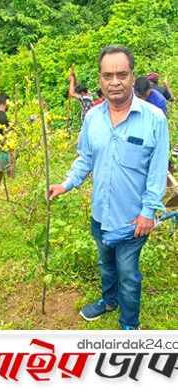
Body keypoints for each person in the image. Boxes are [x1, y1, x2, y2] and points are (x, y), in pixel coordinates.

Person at [48, 45, 169, 330]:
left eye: (122, 74)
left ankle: (129, 324)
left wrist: (148, 211)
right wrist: (65, 184)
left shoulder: (154, 120)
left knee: (128, 272)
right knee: (106, 265)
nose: (115, 81)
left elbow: (156, 171)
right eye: (108, 75)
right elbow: (85, 159)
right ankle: (109, 300)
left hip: (132, 220)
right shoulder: (92, 118)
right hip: (100, 216)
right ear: (100, 80)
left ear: (132, 76)